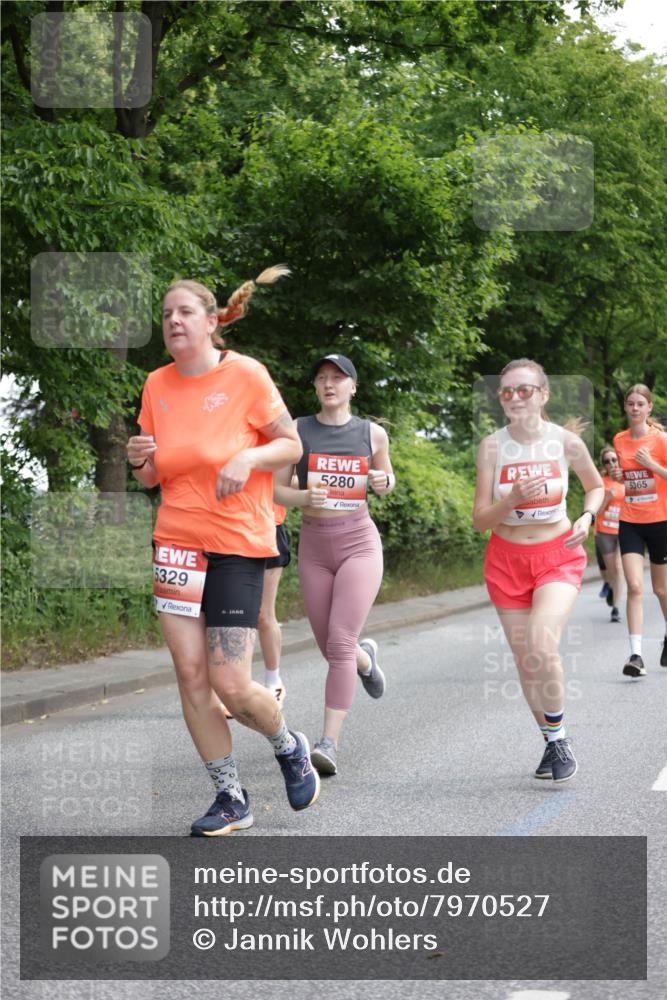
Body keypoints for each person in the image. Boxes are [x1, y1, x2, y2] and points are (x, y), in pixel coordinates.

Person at [126, 266, 319, 836]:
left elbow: (291, 444)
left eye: (185, 312)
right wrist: (138, 460)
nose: (173, 321)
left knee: (231, 683)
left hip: (237, 544)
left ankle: (287, 745)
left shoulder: (246, 375)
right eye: (166, 314)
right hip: (176, 545)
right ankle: (231, 797)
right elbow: (151, 476)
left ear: (212, 322)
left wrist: (247, 457)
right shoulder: (157, 385)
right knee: (191, 676)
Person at [473, 359, 603, 782]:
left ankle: (560, 738)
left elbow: (596, 485)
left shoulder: (566, 442)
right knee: (526, 660)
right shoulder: (491, 447)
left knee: (540, 642)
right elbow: (480, 520)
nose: (514, 397)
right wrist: (510, 501)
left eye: (524, 390)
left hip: (557, 554)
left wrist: (587, 516)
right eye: (506, 391)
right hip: (506, 561)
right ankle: (551, 740)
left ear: (543, 394)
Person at [274, 354, 394, 776]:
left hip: (358, 542)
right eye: (322, 378)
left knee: (339, 642)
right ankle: (365, 660)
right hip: (315, 546)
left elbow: (386, 480)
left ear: (352, 387)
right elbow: (276, 491)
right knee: (330, 646)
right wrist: (303, 497)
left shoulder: (372, 433)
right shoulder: (297, 430)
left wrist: (383, 481)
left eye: (338, 378)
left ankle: (328, 743)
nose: (329, 384)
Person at [612, 384, 667, 678]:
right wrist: (620, 475)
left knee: (661, 590)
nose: (635, 408)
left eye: (640, 404)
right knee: (635, 586)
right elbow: (628, 478)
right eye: (630, 403)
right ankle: (636, 656)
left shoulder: (661, 439)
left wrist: (652, 465)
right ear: (625, 406)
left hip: (661, 521)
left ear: (649, 407)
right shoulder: (619, 439)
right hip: (630, 520)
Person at [595, 447, 625, 623]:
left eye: (614, 459)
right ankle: (612, 589)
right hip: (604, 533)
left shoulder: (626, 480)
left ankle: (616, 609)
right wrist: (607, 498)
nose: (611, 463)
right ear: (604, 465)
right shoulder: (601, 483)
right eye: (607, 461)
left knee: (619, 568)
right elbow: (595, 512)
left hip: (623, 531)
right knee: (612, 571)